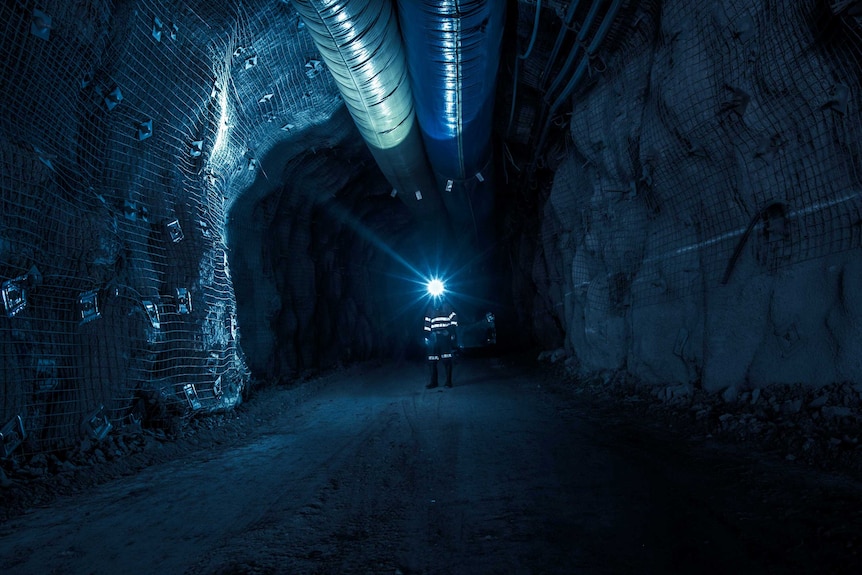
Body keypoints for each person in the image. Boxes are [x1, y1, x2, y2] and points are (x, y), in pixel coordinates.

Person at [423, 294, 458, 388]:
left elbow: (454, 319)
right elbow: (427, 323)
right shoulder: (430, 309)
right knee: (432, 360)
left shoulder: (447, 306)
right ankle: (434, 382)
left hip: (444, 336)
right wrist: (427, 336)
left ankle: (448, 382)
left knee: (446, 359)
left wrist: (450, 331)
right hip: (433, 337)